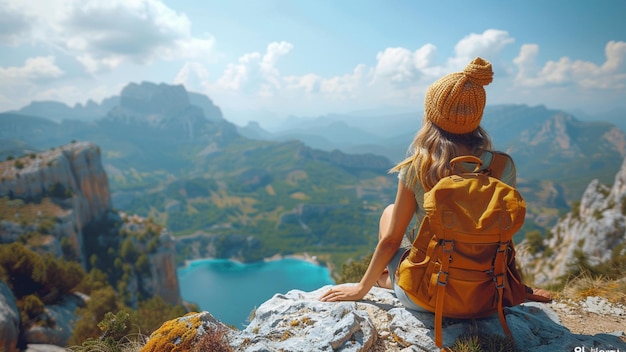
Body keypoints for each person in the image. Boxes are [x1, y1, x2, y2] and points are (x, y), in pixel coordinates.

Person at [320, 57, 550, 307]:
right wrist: (513, 284)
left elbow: (391, 242)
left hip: (430, 297)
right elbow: (502, 235)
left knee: (389, 213)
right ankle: (387, 279)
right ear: (477, 117)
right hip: (485, 293)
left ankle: (380, 280)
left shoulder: (417, 168)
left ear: (431, 114)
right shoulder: (502, 166)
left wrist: (359, 289)